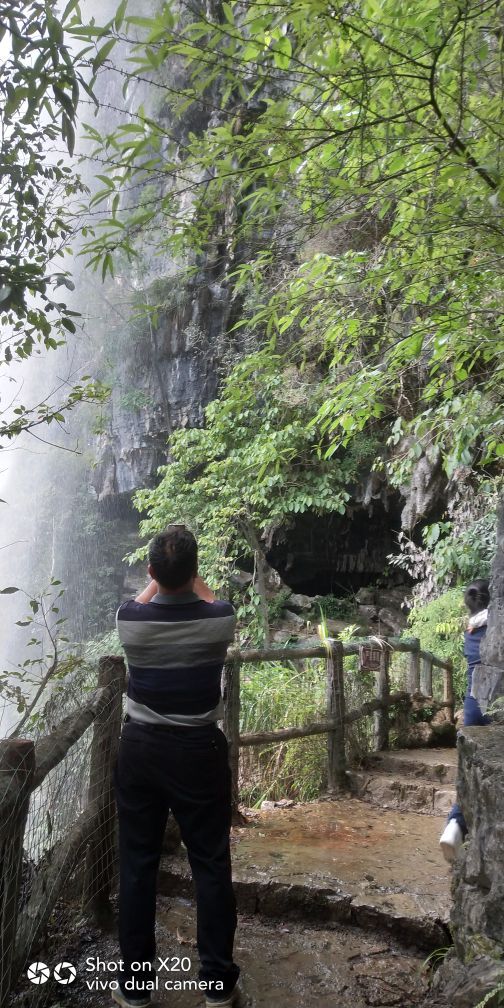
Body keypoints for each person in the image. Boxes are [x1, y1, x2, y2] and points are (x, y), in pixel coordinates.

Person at [112, 525, 240, 1008]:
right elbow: (208, 598)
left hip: (141, 749)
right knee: (209, 864)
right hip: (197, 752)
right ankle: (217, 985)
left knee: (138, 866)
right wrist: (191, 578)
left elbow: (147, 600)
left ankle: (135, 987)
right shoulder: (220, 619)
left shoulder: (130, 621)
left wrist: (159, 578)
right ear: (193, 571)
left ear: (150, 571)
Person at [439, 578, 490, 863]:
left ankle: (455, 825)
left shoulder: (470, 631)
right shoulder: (495, 625)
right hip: (495, 705)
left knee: (468, 772)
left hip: (472, 708)